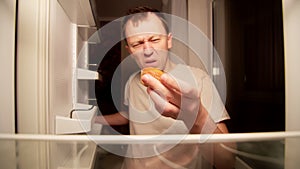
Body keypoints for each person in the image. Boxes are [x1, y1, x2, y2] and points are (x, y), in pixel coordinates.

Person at [95, 6, 235, 169]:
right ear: (129, 50)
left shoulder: (198, 79)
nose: (148, 50)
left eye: (154, 40)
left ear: (168, 40)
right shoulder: (132, 82)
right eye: (138, 43)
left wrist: (196, 118)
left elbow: (226, 161)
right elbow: (130, 114)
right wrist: (96, 119)